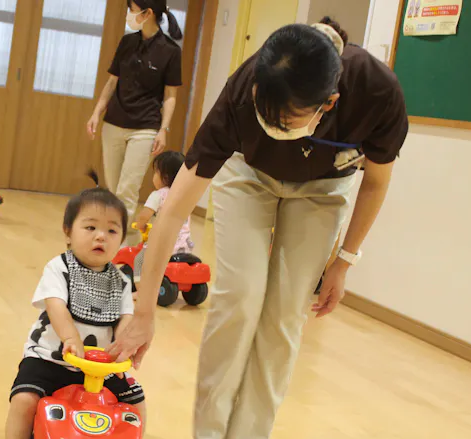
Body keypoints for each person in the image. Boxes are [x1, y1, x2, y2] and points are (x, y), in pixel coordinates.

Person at [109, 18, 409, 438]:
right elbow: (174, 208)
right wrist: (143, 313)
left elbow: (375, 182)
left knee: (284, 316)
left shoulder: (376, 91)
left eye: (287, 118)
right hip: (247, 176)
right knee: (240, 297)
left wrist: (343, 262)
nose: (275, 124)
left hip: (322, 189)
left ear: (329, 103)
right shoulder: (241, 90)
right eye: (265, 110)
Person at [5, 172, 145, 438]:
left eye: (112, 230)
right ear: (68, 232)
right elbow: (56, 305)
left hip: (100, 368)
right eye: (90, 228)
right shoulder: (59, 268)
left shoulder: (122, 282)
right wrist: (70, 337)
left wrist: (126, 346)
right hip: (50, 360)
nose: (101, 236)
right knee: (24, 401)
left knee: (136, 403)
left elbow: (126, 319)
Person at [86, 0, 183, 237]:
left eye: (132, 8)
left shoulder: (170, 51)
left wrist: (163, 129)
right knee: (113, 189)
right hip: (114, 123)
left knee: (127, 191)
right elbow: (112, 81)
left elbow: (170, 96)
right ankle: (113, 240)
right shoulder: (127, 42)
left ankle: (123, 246)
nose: (129, 13)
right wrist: (97, 112)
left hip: (145, 127)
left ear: (147, 13)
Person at [134, 150, 193, 254]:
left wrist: (140, 225)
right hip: (185, 246)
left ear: (165, 177)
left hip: (163, 247)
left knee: (139, 259)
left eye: (155, 172)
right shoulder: (185, 195)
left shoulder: (158, 195)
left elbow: (144, 217)